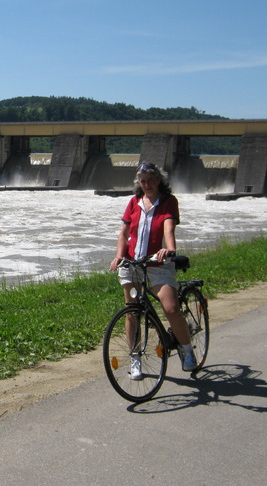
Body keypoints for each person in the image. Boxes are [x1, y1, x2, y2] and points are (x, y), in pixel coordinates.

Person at [109, 162, 197, 379]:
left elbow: (168, 227)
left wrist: (170, 249)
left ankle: (187, 351)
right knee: (132, 312)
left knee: (171, 308)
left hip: (157, 264)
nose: (146, 184)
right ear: (139, 182)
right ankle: (135, 358)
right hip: (133, 264)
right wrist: (119, 255)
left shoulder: (168, 202)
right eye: (143, 181)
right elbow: (124, 233)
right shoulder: (133, 202)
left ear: (159, 180)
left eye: (150, 179)